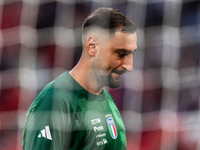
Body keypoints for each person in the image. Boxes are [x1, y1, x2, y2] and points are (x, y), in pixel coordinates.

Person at [22, 7, 137, 150]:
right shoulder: (55, 102)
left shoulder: (108, 103)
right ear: (92, 47)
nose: (128, 65)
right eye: (120, 53)